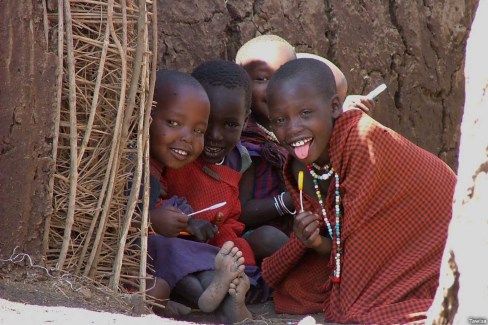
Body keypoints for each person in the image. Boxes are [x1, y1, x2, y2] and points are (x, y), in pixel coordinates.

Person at [263, 57, 457, 323]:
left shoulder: (361, 139)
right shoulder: (299, 167)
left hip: (440, 236)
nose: (293, 129)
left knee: (358, 311)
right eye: (280, 120)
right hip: (381, 249)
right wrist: (315, 241)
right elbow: (340, 241)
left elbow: (363, 238)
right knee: (298, 291)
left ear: (334, 107)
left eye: (305, 113)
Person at [235, 35, 374, 265]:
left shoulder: (304, 129)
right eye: (261, 78)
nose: (274, 87)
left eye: (284, 75)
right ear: (244, 84)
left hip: (309, 226)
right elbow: (241, 211)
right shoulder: (248, 142)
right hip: (261, 233)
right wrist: (291, 200)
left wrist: (345, 118)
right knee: (271, 239)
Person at [146, 70, 250, 324]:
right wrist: (152, 220)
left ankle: (230, 304)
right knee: (168, 250)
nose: (187, 138)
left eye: (197, 130)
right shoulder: (140, 168)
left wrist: (190, 226)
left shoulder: (172, 164)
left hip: (179, 252)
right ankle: (208, 299)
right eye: (173, 123)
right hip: (148, 255)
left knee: (203, 258)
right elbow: (117, 220)